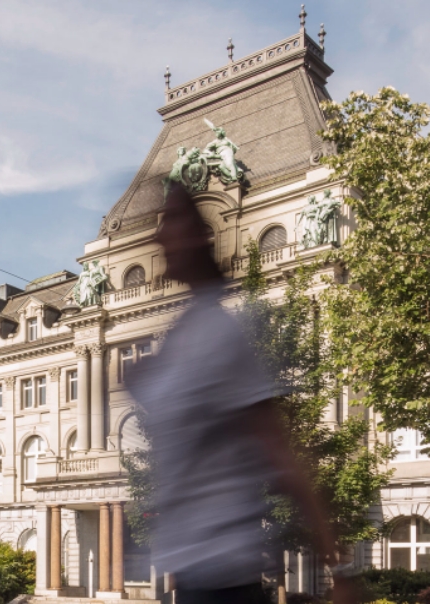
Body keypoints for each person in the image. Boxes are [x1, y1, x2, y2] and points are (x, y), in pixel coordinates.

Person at [128, 184, 350, 604]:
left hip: (223, 577)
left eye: (170, 221)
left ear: (201, 235)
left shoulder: (221, 332)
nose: (158, 237)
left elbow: (282, 454)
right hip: (195, 576)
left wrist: (340, 569)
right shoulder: (185, 331)